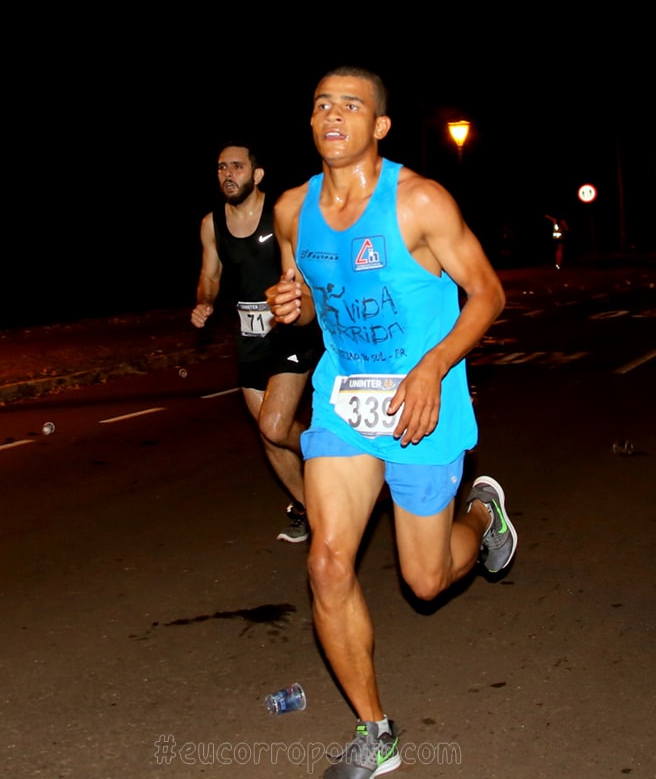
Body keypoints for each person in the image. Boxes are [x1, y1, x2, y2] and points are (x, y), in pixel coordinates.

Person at [267, 67, 515, 778]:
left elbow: (488, 294)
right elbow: (307, 302)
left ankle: (483, 519)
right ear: (310, 121)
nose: (333, 115)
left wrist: (433, 367)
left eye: (351, 105)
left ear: (379, 126)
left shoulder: (420, 202)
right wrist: (293, 308)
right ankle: (376, 734)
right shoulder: (292, 210)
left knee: (425, 580)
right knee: (326, 562)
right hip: (344, 400)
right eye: (322, 104)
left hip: (421, 404)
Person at [193, 144, 321, 544]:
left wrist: (295, 298)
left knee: (274, 425)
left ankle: (337, 453)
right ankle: (315, 512)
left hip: (290, 332)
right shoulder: (211, 225)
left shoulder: (280, 213)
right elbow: (210, 276)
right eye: (221, 167)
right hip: (249, 339)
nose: (228, 173)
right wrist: (205, 302)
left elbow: (305, 266)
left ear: (257, 174)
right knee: (269, 436)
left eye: (237, 166)